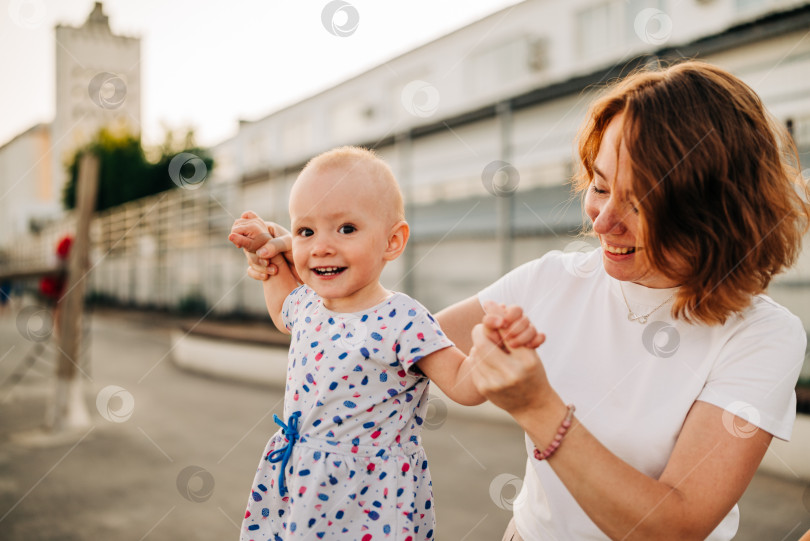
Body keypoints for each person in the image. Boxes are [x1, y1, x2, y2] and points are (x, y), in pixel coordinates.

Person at [241, 61, 810, 540]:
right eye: (601, 185)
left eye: (638, 203)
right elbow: (374, 343)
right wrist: (311, 257)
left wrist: (538, 407)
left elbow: (676, 525)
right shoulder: (551, 279)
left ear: (712, 209)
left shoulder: (761, 336)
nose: (603, 220)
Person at [228, 146, 542, 541]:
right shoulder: (307, 304)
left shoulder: (404, 320)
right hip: (297, 476)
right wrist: (263, 249)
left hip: (367, 497)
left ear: (393, 241)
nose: (321, 246)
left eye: (345, 229)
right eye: (306, 231)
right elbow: (281, 309)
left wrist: (493, 347)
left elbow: (463, 384)